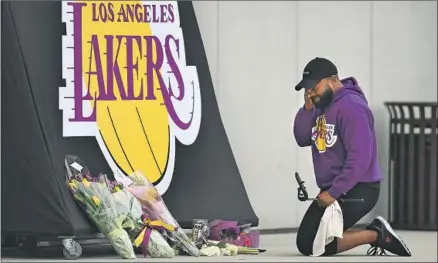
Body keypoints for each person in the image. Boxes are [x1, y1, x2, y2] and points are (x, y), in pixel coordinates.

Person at [293, 57, 411, 257]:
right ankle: (368, 232)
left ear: (333, 80)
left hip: (359, 188)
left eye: (314, 86)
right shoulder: (320, 104)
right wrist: (307, 108)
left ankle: (376, 234)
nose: (310, 92)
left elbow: (360, 158)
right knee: (306, 241)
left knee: (312, 244)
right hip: (335, 189)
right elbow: (302, 137)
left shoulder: (352, 107)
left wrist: (334, 193)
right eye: (307, 88)